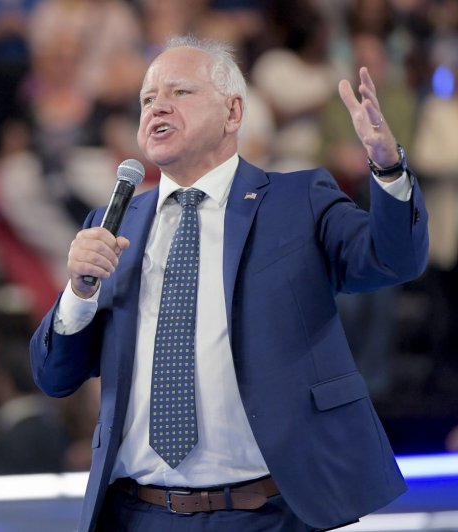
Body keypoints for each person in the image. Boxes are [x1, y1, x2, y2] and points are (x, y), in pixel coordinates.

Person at [29, 34, 428, 531]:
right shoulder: (114, 223)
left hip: (268, 513)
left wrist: (388, 169)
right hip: (139, 514)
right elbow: (54, 376)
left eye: (180, 93)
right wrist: (78, 293)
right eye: (147, 99)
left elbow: (394, 260)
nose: (158, 108)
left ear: (233, 113)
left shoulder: (296, 200)